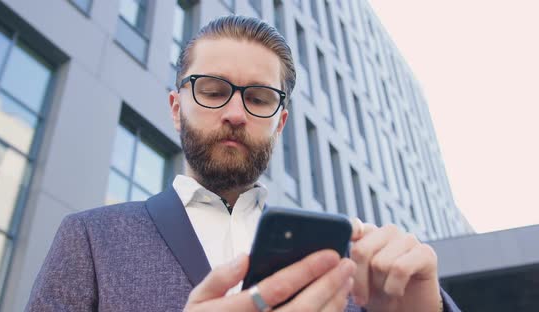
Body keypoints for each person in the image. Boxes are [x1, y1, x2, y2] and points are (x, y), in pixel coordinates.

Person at [26, 15, 460, 312]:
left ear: (280, 123)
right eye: (213, 91)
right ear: (177, 108)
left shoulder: (350, 259)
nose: (235, 112)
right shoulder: (90, 237)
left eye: (258, 98)